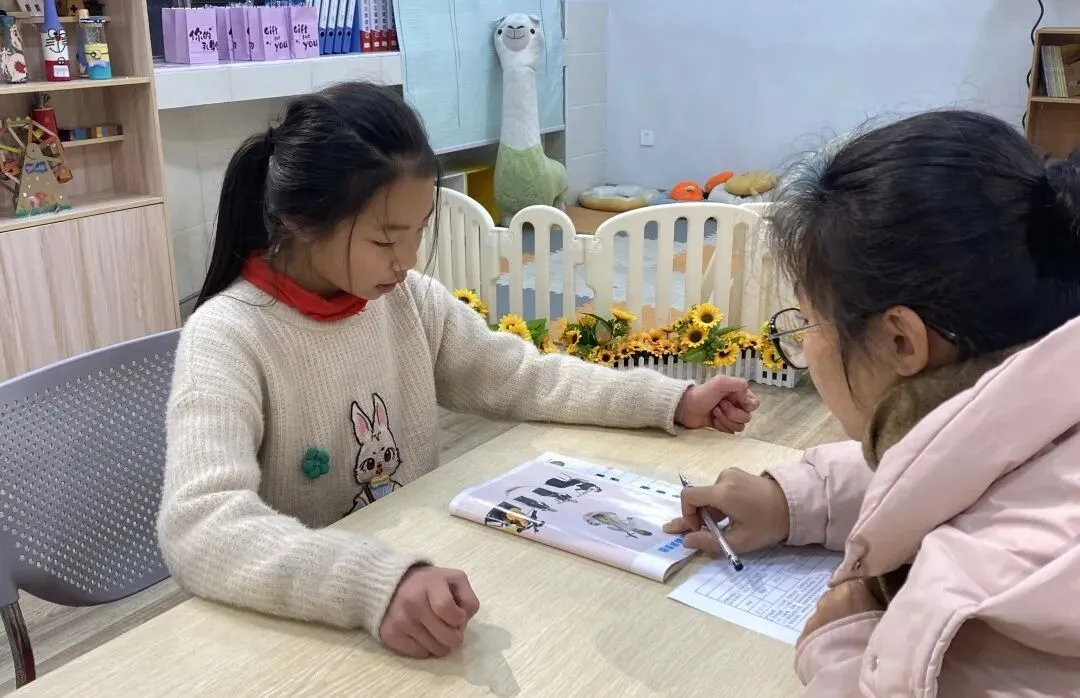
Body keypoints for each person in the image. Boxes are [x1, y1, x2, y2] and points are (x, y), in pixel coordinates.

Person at [158, 81, 759, 661]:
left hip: (422, 589)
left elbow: (523, 377)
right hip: (305, 634)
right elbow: (200, 525)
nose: (408, 260)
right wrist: (373, 583)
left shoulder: (407, 302)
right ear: (299, 219)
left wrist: (669, 401)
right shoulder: (228, 336)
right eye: (385, 240)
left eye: (419, 232)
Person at [665, 110, 1080, 696]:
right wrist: (792, 501)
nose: (805, 347)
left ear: (900, 341)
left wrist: (842, 641)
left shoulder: (989, 591)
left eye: (807, 323)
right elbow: (958, 466)